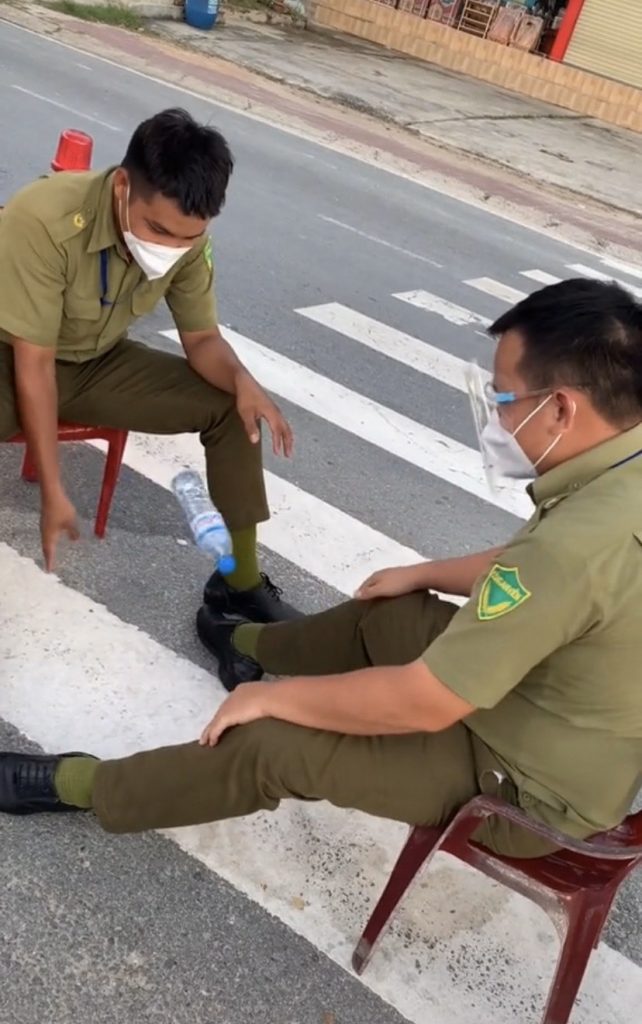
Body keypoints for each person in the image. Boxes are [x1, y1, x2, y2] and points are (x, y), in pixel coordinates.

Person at [2, 279, 641, 860]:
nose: (497, 417)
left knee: (271, 745)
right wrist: (423, 574)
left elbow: (426, 700)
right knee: (387, 616)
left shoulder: (579, 545)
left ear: (561, 409)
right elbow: (538, 573)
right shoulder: (619, 468)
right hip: (549, 702)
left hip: (525, 783)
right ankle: (244, 644)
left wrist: (273, 698)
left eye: (504, 397)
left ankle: (78, 784)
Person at [0, 107, 297, 623]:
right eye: (157, 229)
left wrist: (243, 382)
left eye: (188, 238)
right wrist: (53, 488)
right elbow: (35, 366)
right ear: (122, 186)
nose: (170, 248)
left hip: (95, 363)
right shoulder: (45, 219)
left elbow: (202, 339)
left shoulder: (188, 239)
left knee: (233, 408)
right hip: (12, 357)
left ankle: (240, 584)